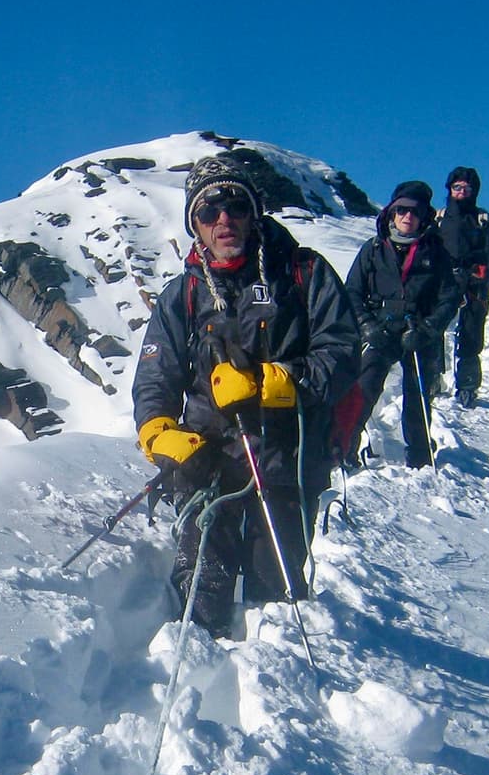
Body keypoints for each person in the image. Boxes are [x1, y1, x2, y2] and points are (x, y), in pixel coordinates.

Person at [132, 153, 360, 638]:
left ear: (254, 211)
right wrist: (157, 430)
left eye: (235, 205)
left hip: (286, 460)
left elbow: (341, 356)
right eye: (209, 211)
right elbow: (157, 375)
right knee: (200, 595)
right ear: (195, 225)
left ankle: (273, 697)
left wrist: (269, 384)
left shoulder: (303, 274)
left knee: (273, 602)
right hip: (205, 461)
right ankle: (193, 681)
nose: (224, 220)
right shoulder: (184, 294)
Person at [341, 181, 460, 469]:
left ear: (424, 217)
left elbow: (449, 297)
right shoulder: (373, 250)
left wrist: (428, 329)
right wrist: (367, 325)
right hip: (380, 329)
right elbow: (352, 292)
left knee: (418, 396)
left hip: (419, 333)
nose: (408, 217)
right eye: (402, 210)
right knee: (363, 389)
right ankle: (345, 449)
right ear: (391, 214)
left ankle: (419, 456)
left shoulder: (436, 253)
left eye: (415, 212)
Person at [436, 166, 489, 408]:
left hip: (475, 284)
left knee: (470, 334)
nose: (461, 192)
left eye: (466, 188)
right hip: (442, 282)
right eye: (457, 187)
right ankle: (432, 378)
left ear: (474, 191)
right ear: (449, 189)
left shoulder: (484, 221)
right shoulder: (437, 219)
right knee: (433, 329)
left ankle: (467, 386)